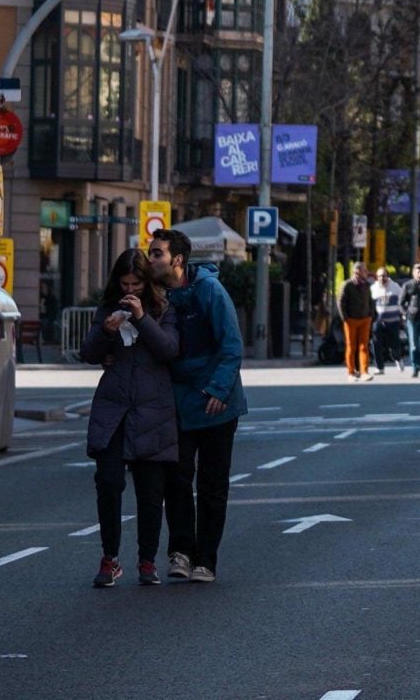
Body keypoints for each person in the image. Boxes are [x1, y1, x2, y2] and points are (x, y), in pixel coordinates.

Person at [147, 228, 246, 584]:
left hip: (217, 404)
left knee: (212, 484)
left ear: (177, 260)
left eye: (156, 253)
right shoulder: (154, 295)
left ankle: (206, 559)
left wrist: (218, 389)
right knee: (176, 480)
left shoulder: (209, 290)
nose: (150, 258)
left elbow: (232, 344)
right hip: (176, 402)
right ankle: (181, 552)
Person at [79, 250, 179, 587]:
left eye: (137, 283)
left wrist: (141, 318)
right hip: (114, 409)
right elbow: (88, 354)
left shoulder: (164, 309)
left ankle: (147, 561)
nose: (131, 290)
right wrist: (105, 333)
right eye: (125, 284)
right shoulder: (108, 308)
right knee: (108, 483)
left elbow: (168, 350)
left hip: (153, 411)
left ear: (147, 283)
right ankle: (110, 558)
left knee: (150, 493)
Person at [337, 263, 378, 380]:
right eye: (364, 271)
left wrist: (371, 315)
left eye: (365, 271)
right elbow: (340, 302)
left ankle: (364, 371)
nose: (366, 273)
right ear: (356, 272)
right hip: (351, 320)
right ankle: (351, 372)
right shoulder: (347, 285)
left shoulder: (367, 285)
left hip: (365, 319)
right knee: (351, 346)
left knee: (364, 346)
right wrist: (345, 317)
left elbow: (370, 301)